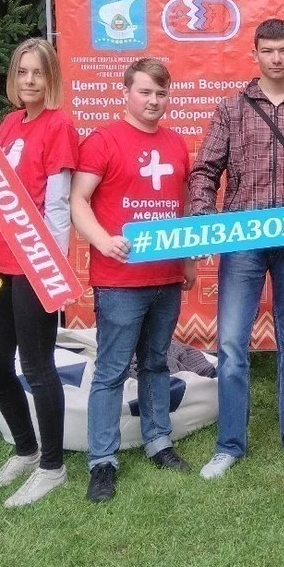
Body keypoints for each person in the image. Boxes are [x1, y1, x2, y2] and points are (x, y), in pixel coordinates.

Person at [188, 18, 284, 480]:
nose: (276, 58)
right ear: (254, 54)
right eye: (268, 50)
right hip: (242, 242)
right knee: (232, 344)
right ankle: (229, 444)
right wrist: (203, 216)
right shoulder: (231, 109)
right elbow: (205, 170)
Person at [0, 39, 79, 507]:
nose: (30, 80)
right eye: (23, 72)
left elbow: (59, 204)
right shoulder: (9, 124)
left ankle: (53, 467)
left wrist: (53, 269)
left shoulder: (59, 125)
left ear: (51, 79)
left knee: (37, 366)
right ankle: (27, 450)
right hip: (0, 262)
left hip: (35, 263)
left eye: (38, 73)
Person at [71, 57, 196, 503]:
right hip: (120, 279)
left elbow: (183, 205)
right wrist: (103, 241)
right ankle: (102, 460)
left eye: (161, 93)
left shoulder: (177, 144)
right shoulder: (103, 140)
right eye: (145, 92)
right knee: (110, 370)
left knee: (157, 362)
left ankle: (159, 441)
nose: (154, 101)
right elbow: (78, 200)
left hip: (166, 276)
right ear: (126, 92)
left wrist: (188, 262)